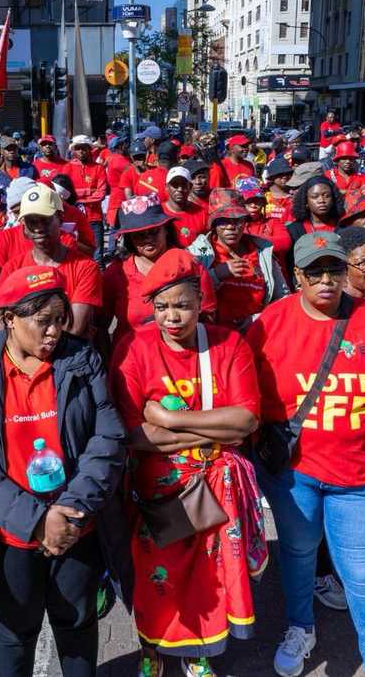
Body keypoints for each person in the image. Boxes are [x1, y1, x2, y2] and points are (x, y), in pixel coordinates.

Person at [248, 231, 365, 677]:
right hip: (293, 475)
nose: (325, 280)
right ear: (296, 277)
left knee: (363, 575)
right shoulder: (269, 323)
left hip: (363, 478)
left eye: (333, 269)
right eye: (314, 272)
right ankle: (300, 627)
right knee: (299, 552)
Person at [0, 265, 130, 677]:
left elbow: (108, 439)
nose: (54, 333)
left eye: (60, 321)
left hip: (74, 530)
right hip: (8, 537)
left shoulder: (82, 359)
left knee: (77, 625)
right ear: (8, 319)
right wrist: (34, 521)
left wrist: (67, 512)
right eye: (42, 322)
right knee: (14, 632)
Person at [109, 248, 266, 677]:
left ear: (201, 303)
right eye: (161, 307)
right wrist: (213, 430)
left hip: (216, 487)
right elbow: (134, 435)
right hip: (157, 492)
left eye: (182, 305)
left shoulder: (228, 344)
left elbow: (246, 420)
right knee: (158, 578)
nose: (172, 317)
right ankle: (152, 649)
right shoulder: (133, 349)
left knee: (206, 577)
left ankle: (196, 652)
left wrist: (170, 419)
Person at [101, 195, 215, 342]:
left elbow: (208, 318)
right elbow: (100, 325)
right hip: (132, 360)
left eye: (154, 231)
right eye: (139, 235)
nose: (148, 239)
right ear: (129, 238)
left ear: (166, 230)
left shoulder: (190, 265)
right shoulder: (116, 273)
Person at [0, 184, 102, 338]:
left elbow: (74, 329)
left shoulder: (85, 267)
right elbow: (0, 322)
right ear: (24, 227)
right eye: (32, 221)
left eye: (45, 220)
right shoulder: (11, 268)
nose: (39, 228)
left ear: (60, 218)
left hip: (67, 357)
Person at [188, 188, 289, 330]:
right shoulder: (201, 251)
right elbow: (187, 294)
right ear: (214, 223)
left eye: (237, 220)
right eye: (223, 221)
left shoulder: (262, 251)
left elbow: (283, 296)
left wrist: (261, 320)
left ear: (245, 221)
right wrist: (216, 275)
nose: (231, 227)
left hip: (259, 330)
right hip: (215, 336)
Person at [68, 134, 108, 262]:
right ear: (73, 150)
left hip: (94, 218)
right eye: (78, 148)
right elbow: (65, 194)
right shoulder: (67, 168)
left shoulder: (99, 168)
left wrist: (76, 196)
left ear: (89, 149)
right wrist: (89, 191)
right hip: (73, 220)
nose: (81, 151)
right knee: (75, 257)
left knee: (97, 258)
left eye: (84, 148)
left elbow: (101, 194)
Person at [285, 175, 342, 247]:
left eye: (327, 196)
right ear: (306, 201)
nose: (321, 200)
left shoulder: (343, 226)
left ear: (333, 199)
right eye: (315, 197)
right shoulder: (293, 230)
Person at [161, 165, 208, 246]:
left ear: (190, 187)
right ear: (167, 187)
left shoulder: (202, 213)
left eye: (183, 184)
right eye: (175, 185)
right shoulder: (159, 213)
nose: (179, 189)